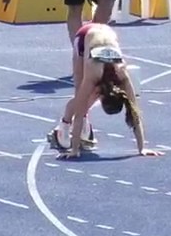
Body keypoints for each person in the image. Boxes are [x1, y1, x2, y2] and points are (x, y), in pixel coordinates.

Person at [54, 22, 162, 159]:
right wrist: (74, 150)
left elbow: (134, 113)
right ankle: (64, 124)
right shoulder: (95, 73)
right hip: (84, 36)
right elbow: (79, 113)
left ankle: (80, 127)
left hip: (106, 32)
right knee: (79, 91)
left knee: (84, 99)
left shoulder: (123, 76)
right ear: (102, 96)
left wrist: (142, 148)